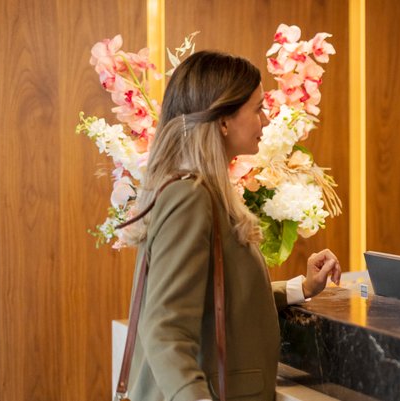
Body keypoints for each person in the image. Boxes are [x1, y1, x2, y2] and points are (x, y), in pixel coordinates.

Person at [120, 51, 342, 401]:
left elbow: (221, 300)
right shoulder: (190, 197)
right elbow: (165, 331)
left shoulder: (202, 191)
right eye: (257, 108)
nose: (266, 120)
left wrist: (302, 287)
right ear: (223, 121)